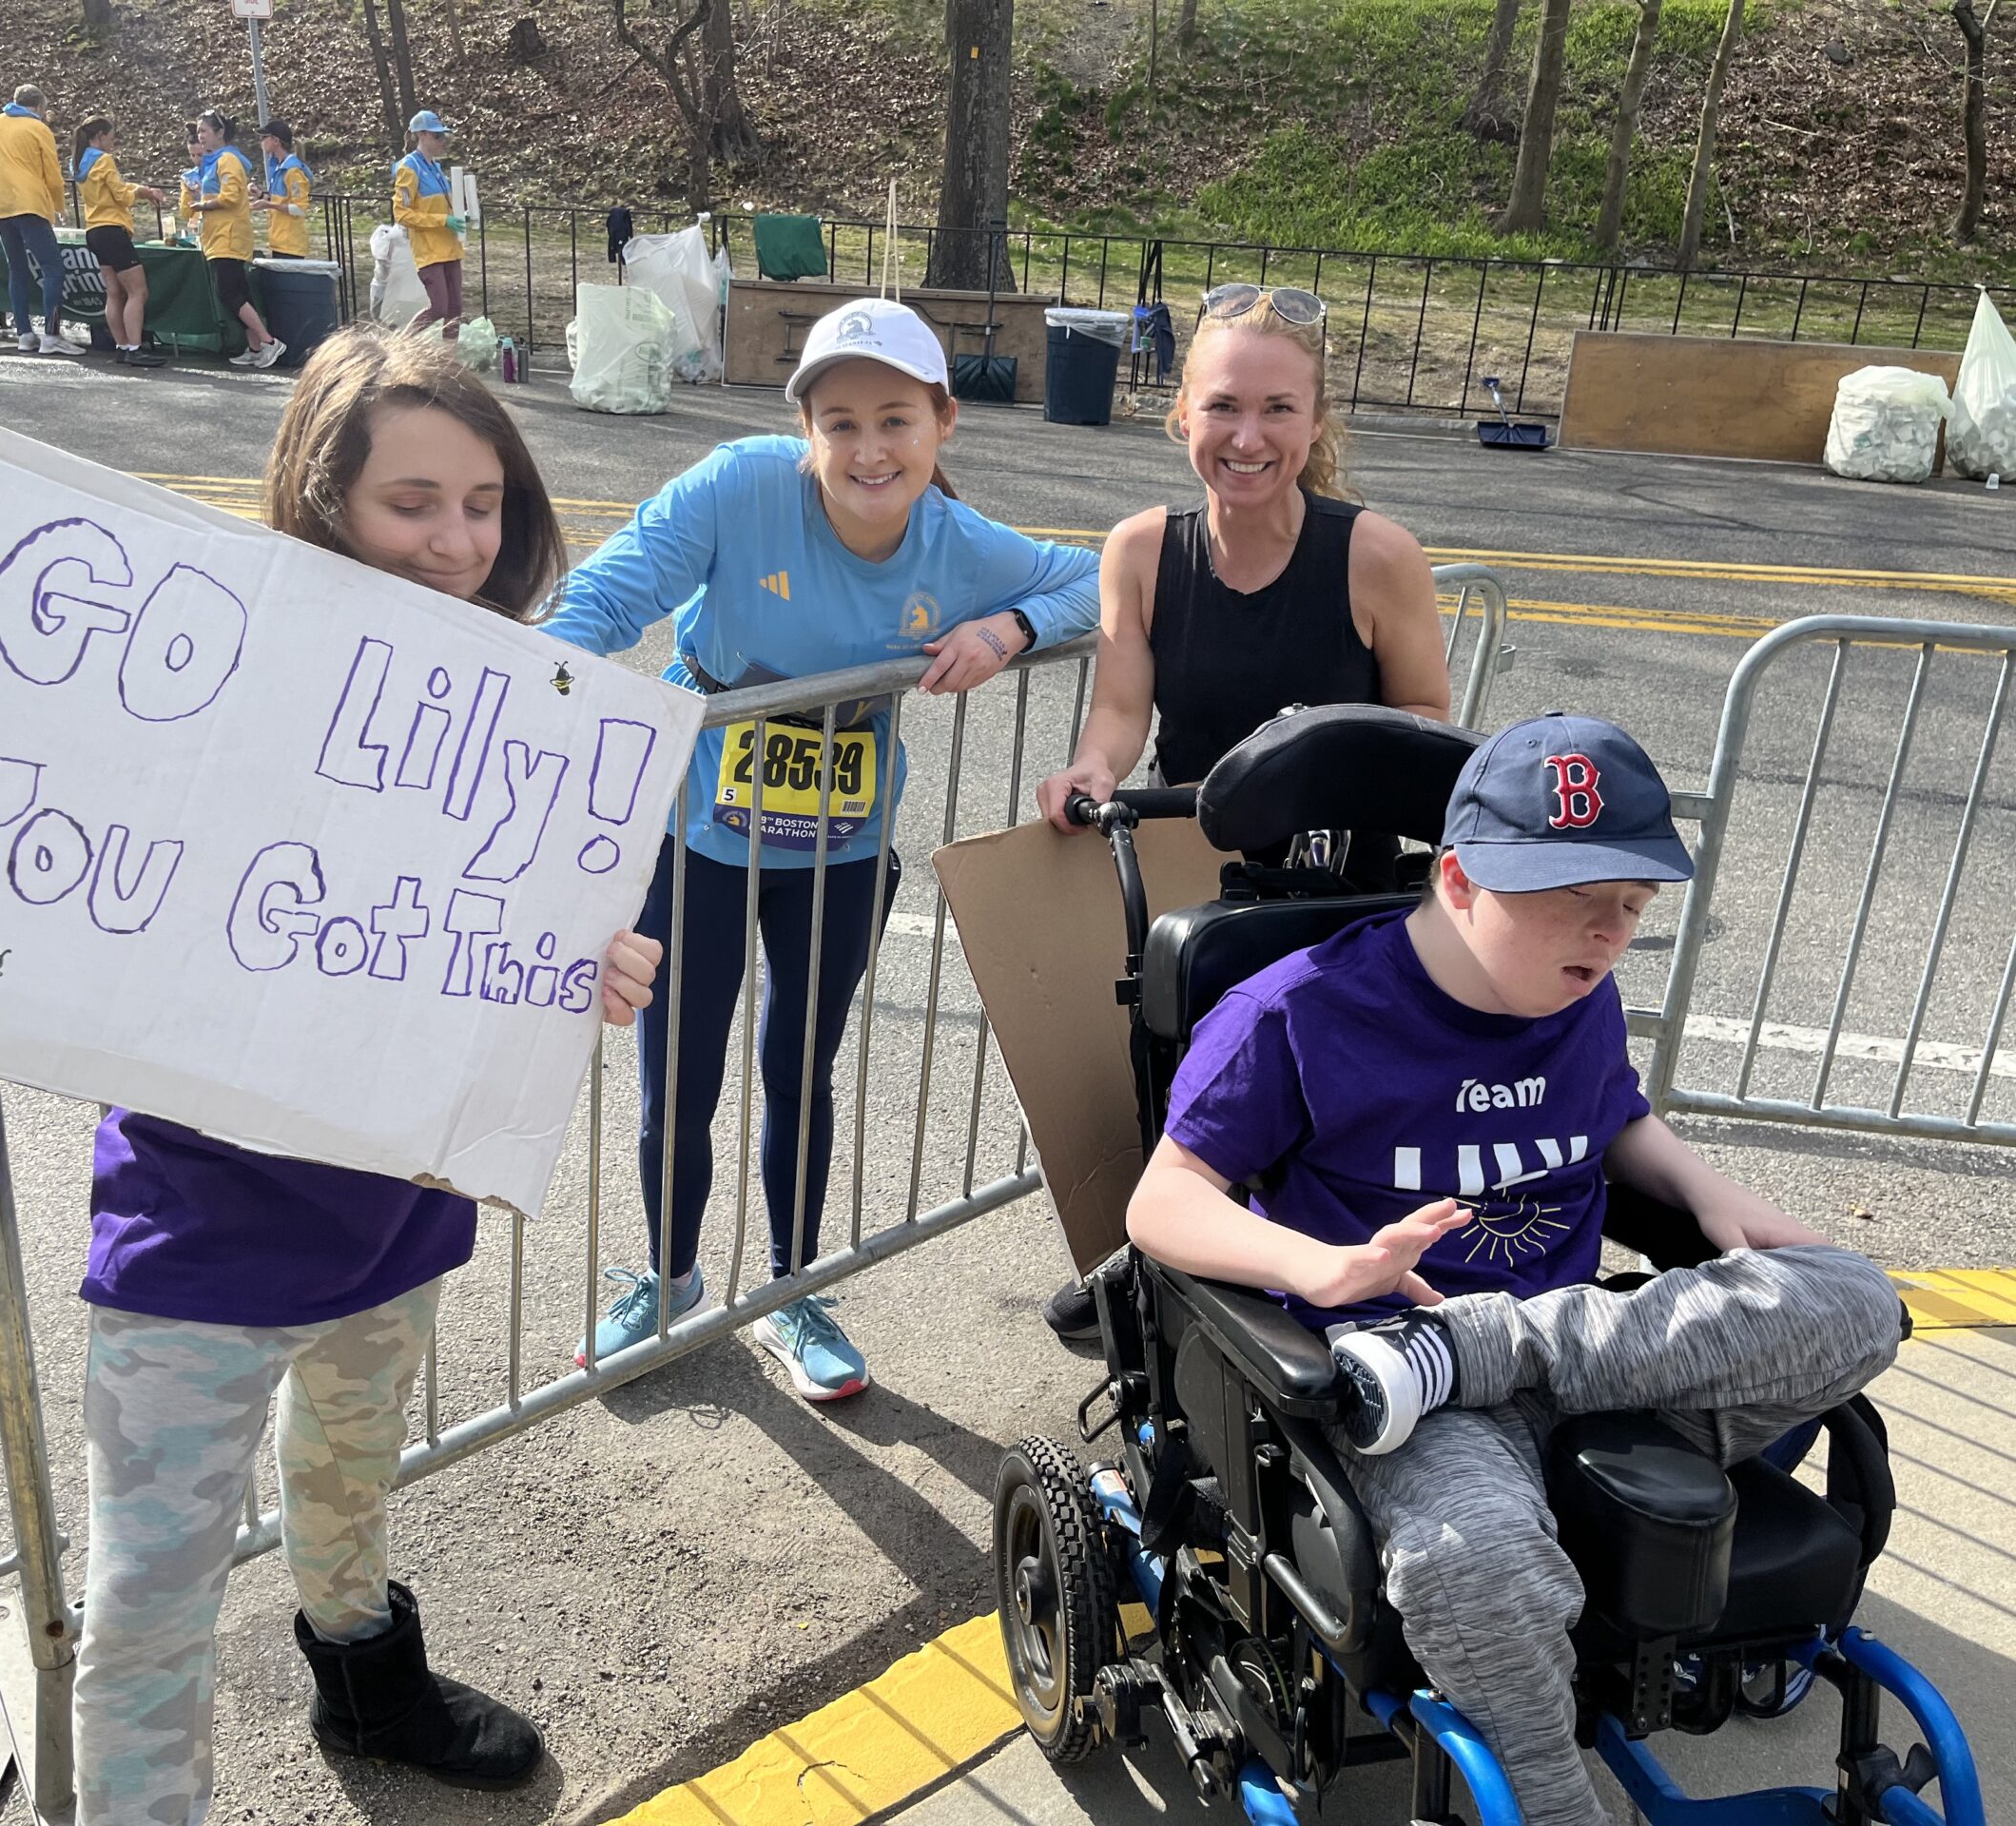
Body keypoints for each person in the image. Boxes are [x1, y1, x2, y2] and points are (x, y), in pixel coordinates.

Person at [0, 327, 663, 1822]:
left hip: (397, 1223)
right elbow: (10, 860)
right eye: (413, 501)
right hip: (197, 1247)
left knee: (350, 1490)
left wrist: (591, 972)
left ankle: (369, 1685)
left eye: (483, 502)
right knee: (149, 1613)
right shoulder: (202, 674)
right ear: (323, 495)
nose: (457, 540)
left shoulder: (510, 712)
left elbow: (493, 942)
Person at [1126, 712, 1906, 1826]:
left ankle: (1483, 1346)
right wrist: (1329, 1268)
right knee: (1474, 1561)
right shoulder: (1291, 1010)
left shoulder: (1576, 998)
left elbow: (1614, 1118)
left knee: (1855, 1299)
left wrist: (1700, 1190)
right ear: (1457, 880)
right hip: (1409, 1396)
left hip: (1579, 1356)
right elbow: (1159, 1203)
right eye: (1568, 899)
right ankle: (1552, 1804)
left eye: (1629, 908)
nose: (1602, 934)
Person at [547, 298, 1102, 1400]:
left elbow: (1093, 580)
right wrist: (530, 689)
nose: (867, 449)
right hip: (696, 835)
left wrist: (1008, 630)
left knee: (802, 1070)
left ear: (943, 424)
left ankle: (793, 1291)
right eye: (839, 421)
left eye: (895, 419)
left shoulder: (955, 541)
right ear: (805, 430)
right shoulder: (738, 486)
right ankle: (668, 1277)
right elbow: (607, 596)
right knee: (678, 1073)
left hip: (841, 853)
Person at [1033, 282, 1452, 1344]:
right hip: (1200, 871)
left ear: (1315, 424)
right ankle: (1159, 1254)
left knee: (1317, 1090)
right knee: (1174, 1072)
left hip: (1343, 889)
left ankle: (1327, 1261)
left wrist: (1324, 758)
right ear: (1182, 414)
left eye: (1276, 409)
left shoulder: (1374, 555)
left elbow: (1424, 721)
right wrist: (1086, 771)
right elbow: (1123, 712)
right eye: (1222, 407)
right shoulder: (1141, 551)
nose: (1247, 436)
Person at [0, 84, 75, 355]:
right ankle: (51, 334)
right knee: (52, 268)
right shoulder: (39, 129)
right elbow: (52, 173)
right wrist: (58, 205)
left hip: (2, 206)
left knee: (16, 269)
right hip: (30, 205)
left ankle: (24, 333)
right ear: (40, 107)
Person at [71, 116, 167, 367]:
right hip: (113, 229)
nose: (113, 142)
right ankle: (136, 348)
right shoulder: (104, 160)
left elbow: (113, 189)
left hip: (94, 230)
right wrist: (142, 192)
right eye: (112, 136)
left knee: (113, 293)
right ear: (101, 136)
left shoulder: (81, 163)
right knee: (138, 291)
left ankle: (122, 346)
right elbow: (121, 195)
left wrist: (136, 188)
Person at [192, 110, 284, 368]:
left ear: (220, 133)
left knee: (228, 291)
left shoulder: (229, 159)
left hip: (229, 235)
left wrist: (203, 205)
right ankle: (254, 347)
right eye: (199, 132)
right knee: (240, 292)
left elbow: (231, 197)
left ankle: (268, 342)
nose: (200, 137)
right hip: (217, 235)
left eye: (204, 131)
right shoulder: (213, 161)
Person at [392, 109, 466, 338]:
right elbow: (402, 214)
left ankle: (448, 361)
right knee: (439, 307)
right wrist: (443, 220)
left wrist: (462, 215)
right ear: (422, 135)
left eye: (443, 136)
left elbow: (441, 205)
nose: (442, 141)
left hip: (450, 247)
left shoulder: (436, 167)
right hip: (430, 250)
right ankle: (401, 342)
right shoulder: (409, 167)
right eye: (437, 136)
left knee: (455, 310)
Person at [256, 120, 314, 259]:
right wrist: (260, 195)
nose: (261, 141)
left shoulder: (293, 171)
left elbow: (299, 208)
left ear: (276, 140)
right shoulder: (278, 167)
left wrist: (268, 204)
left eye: (264, 137)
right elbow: (279, 200)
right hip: (279, 242)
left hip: (291, 245)